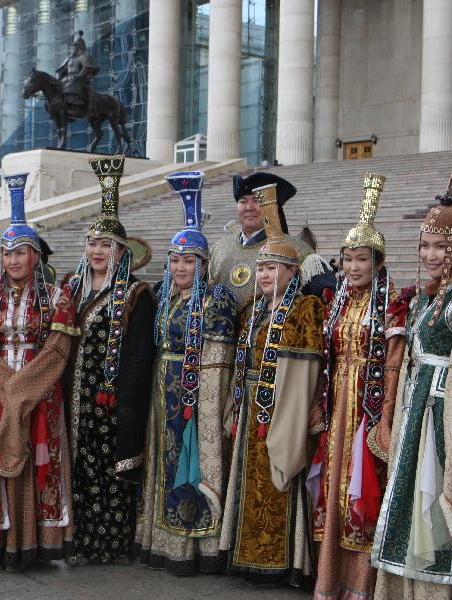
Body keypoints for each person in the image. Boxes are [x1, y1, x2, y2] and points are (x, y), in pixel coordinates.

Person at [371, 181, 452, 599]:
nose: (430, 255)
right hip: (418, 418)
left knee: (439, 512)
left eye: (441, 247)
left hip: (446, 424)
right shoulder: (425, 297)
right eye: (425, 245)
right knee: (411, 513)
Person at [0, 172, 80, 572]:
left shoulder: (57, 298)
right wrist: (7, 389)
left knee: (39, 465)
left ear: (35, 256)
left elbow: (56, 352)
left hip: (41, 396)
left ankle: (33, 544)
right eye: (7, 253)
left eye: (21, 252)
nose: (13, 260)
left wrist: (22, 392)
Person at [219, 182, 326, 587]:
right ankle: (247, 556)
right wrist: (234, 406)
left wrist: (289, 420)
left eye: (273, 268)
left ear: (292, 272)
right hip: (250, 411)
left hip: (282, 409)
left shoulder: (303, 310)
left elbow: (304, 375)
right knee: (248, 480)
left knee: (280, 482)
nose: (264, 275)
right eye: (261, 268)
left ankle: (284, 563)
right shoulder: (252, 308)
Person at [135, 172, 239, 576]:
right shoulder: (162, 296)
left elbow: (219, 361)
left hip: (195, 396)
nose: (180, 267)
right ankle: (158, 538)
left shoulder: (218, 300)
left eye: (189, 260)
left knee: (191, 463)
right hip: (161, 396)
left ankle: (193, 547)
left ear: (203, 263)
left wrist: (206, 409)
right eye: (175, 259)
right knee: (162, 462)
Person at [310, 174, 408, 599]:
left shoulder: (391, 308)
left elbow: (393, 365)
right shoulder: (339, 303)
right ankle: (329, 582)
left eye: (361, 260)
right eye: (347, 259)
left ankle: (362, 585)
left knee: (366, 492)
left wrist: (384, 419)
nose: (352, 267)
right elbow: (327, 360)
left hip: (367, 413)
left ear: (378, 263)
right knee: (333, 490)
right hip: (337, 410)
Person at [64, 155, 156, 566]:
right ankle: (74, 538)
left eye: (106, 245)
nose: (97, 251)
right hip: (72, 397)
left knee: (106, 470)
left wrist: (125, 402)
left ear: (121, 252)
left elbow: (138, 357)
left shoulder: (136, 294)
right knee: (76, 465)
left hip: (110, 401)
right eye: (93, 243)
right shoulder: (71, 287)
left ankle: (107, 543)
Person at [208, 172, 336, 306]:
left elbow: (329, 299)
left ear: (273, 208)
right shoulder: (218, 249)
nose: (249, 207)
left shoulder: (298, 251)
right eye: (243, 201)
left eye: (257, 201)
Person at [56, 30, 98, 117]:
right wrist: (58, 79)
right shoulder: (70, 58)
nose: (74, 47)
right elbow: (63, 69)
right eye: (73, 45)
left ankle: (84, 107)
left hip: (80, 80)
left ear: (80, 46)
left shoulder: (85, 56)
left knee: (74, 88)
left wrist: (78, 76)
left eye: (76, 45)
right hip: (69, 79)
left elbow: (86, 69)